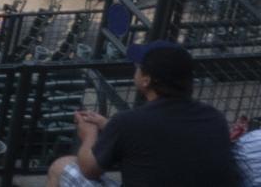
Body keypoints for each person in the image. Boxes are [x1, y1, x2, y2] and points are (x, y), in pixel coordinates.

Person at [47, 42, 238, 186]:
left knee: (61, 166)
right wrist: (109, 126)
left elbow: (90, 170)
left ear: (146, 80)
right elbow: (166, 137)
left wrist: (89, 135)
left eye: (138, 67)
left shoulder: (129, 122)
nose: (135, 69)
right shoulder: (214, 118)